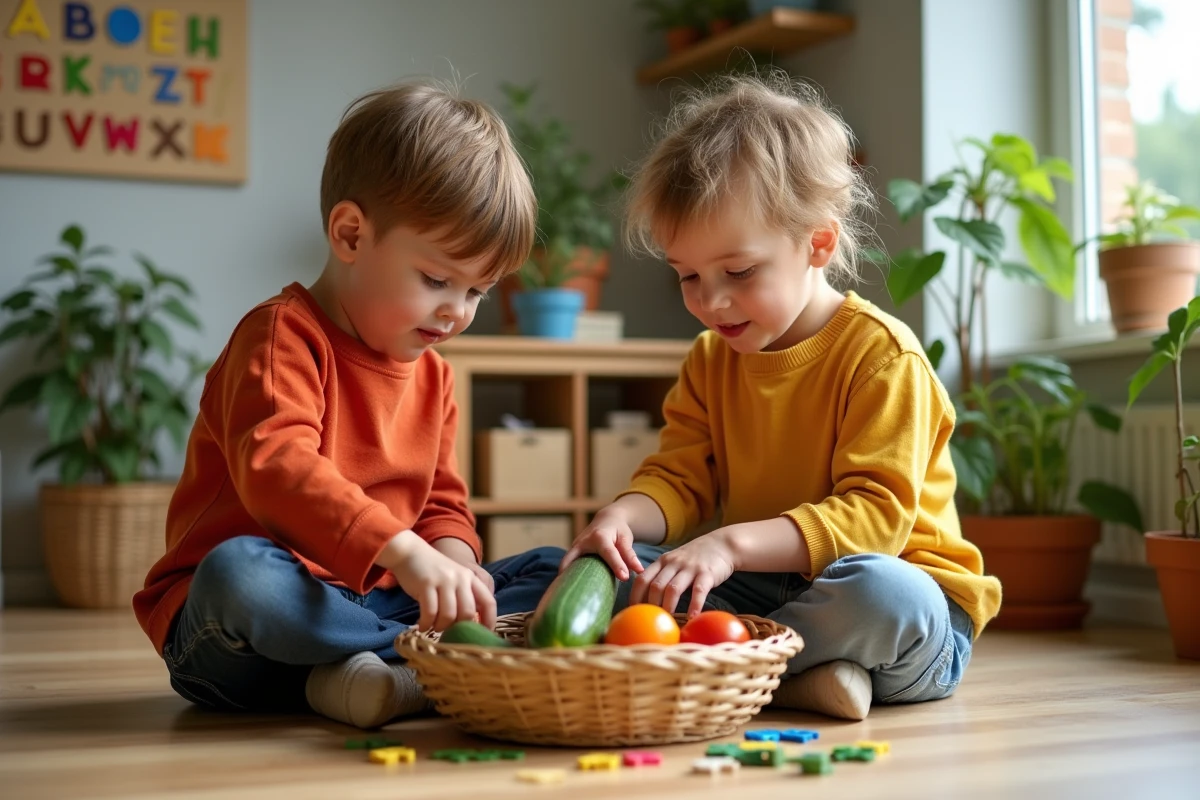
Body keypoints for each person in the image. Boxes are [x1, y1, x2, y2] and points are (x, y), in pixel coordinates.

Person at [562, 71, 1002, 721]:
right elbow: (679, 479)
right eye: (687, 275)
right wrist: (623, 519)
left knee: (886, 594)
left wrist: (730, 545)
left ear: (817, 243)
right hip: (769, 594)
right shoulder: (711, 359)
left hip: (905, 616)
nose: (710, 301)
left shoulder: (884, 358)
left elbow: (874, 522)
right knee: (598, 570)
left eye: (738, 272)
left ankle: (745, 669)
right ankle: (799, 674)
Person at [134, 81, 563, 729]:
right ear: (351, 234)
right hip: (238, 635)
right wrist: (404, 553)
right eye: (438, 280)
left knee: (560, 568)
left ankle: (368, 674)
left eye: (479, 291)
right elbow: (279, 469)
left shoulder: (435, 375)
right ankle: (430, 665)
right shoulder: (280, 335)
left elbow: (443, 505)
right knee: (239, 574)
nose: (459, 311)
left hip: (372, 606)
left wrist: (453, 568)